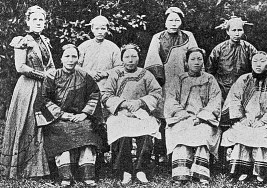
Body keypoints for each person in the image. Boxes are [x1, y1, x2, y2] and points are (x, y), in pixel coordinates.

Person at [0, 5, 55, 179]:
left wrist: (53, 76)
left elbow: (51, 65)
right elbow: (20, 67)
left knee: (45, 122)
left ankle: (43, 168)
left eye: (41, 20)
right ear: (27, 22)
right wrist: (43, 75)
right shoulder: (21, 41)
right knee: (29, 122)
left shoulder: (45, 41)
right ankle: (25, 168)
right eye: (35, 20)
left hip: (45, 87)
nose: (38, 23)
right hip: (28, 87)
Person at [40, 44, 104, 187]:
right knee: (63, 131)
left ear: (78, 59)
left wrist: (84, 114)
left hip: (81, 117)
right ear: (61, 58)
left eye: (74, 56)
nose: (70, 59)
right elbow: (44, 99)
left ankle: (88, 175)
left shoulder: (84, 76)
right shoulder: (52, 76)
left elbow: (94, 95)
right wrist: (63, 115)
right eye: (67, 56)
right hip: (59, 119)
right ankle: (65, 177)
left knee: (88, 129)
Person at [221, 51, 267, 182]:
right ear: (251, 63)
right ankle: (242, 170)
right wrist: (242, 118)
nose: (258, 64)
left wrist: (263, 121)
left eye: (262, 61)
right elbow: (234, 100)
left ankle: (260, 172)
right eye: (255, 61)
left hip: (264, 123)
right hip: (244, 120)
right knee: (242, 134)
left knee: (259, 137)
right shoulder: (243, 80)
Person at [102, 44, 162, 185]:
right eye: (127, 57)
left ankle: (141, 169)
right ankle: (126, 170)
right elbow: (106, 95)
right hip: (120, 113)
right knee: (122, 132)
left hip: (141, 112)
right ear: (122, 59)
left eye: (134, 56)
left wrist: (140, 102)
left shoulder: (146, 74)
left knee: (147, 132)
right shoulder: (115, 74)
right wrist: (123, 104)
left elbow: (156, 93)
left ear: (138, 58)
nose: (130, 60)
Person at [144, 6, 198, 161]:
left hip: (184, 82)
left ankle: (183, 151)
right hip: (164, 82)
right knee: (163, 115)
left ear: (181, 21)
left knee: (183, 113)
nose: (173, 23)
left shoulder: (188, 36)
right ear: (165, 21)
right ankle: (161, 152)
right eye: (170, 20)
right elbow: (152, 60)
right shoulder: (157, 37)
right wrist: (158, 81)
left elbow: (194, 57)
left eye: (177, 20)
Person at [164, 47, 222, 187]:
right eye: (193, 59)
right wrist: (184, 115)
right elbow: (171, 100)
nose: (196, 62)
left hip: (204, 120)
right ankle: (181, 173)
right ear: (186, 62)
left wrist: (201, 117)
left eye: (199, 59)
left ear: (203, 61)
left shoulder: (209, 79)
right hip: (182, 118)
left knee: (203, 133)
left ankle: (200, 173)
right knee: (180, 133)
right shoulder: (179, 79)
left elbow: (215, 101)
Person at [206, 16, 257, 101]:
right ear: (227, 31)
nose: (237, 33)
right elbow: (209, 70)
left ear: (243, 31)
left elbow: (257, 68)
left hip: (244, 89)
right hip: (222, 90)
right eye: (233, 30)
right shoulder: (219, 49)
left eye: (239, 30)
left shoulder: (249, 48)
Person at [78, 15, 122, 90]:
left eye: (103, 29)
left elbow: (120, 68)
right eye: (97, 29)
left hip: (106, 86)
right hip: (85, 85)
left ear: (107, 29)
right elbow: (76, 66)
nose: (100, 32)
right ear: (92, 29)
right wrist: (90, 73)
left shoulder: (113, 48)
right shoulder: (84, 46)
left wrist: (106, 73)